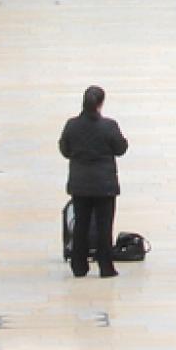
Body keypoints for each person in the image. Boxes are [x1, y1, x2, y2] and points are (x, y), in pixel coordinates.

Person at [60, 85, 128, 278]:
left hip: (80, 184)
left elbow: (64, 150)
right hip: (104, 184)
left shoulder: (71, 125)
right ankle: (106, 266)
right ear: (100, 104)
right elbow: (120, 148)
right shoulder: (109, 126)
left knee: (81, 223)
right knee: (104, 225)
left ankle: (79, 265)